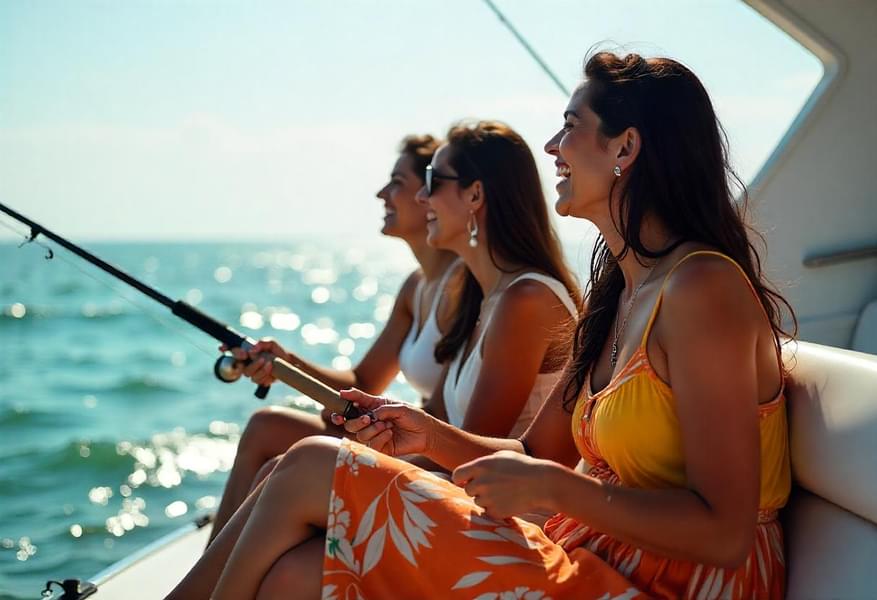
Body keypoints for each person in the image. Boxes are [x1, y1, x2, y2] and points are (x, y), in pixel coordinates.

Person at [175, 48, 803, 596]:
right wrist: (425, 434)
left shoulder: (702, 288)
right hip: (594, 558)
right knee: (294, 577)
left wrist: (558, 494)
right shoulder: (624, 291)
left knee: (312, 463)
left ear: (625, 148)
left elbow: (724, 534)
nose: (553, 148)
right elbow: (533, 453)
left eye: (570, 128)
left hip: (670, 585)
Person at [208, 134, 460, 542]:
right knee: (265, 426)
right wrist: (286, 363)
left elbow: (445, 416)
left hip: (433, 457)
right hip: (412, 442)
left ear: (428, 195)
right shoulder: (417, 286)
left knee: (281, 466)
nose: (382, 193)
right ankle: (212, 571)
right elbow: (364, 382)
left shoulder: (462, 287)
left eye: (397, 181)